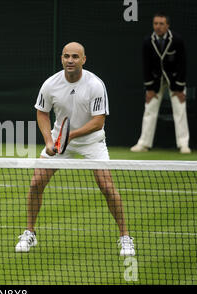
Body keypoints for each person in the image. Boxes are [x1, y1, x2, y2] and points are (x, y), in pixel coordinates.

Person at [15, 42, 135, 256]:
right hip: (59, 138)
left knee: (106, 186)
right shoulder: (50, 84)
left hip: (91, 141)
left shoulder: (95, 85)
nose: (70, 60)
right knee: (36, 182)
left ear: (83, 59)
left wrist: (69, 136)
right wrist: (50, 141)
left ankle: (125, 237)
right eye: (66, 56)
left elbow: (99, 121)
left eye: (75, 57)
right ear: (61, 58)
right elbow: (42, 113)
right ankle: (29, 233)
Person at [131, 13, 190, 154]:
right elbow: (146, 66)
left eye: (161, 24)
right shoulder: (147, 41)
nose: (158, 26)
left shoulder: (177, 40)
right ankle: (143, 143)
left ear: (167, 25)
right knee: (149, 110)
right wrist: (149, 88)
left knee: (180, 111)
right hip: (155, 81)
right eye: (156, 23)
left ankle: (183, 144)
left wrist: (180, 88)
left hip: (175, 81)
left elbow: (182, 64)